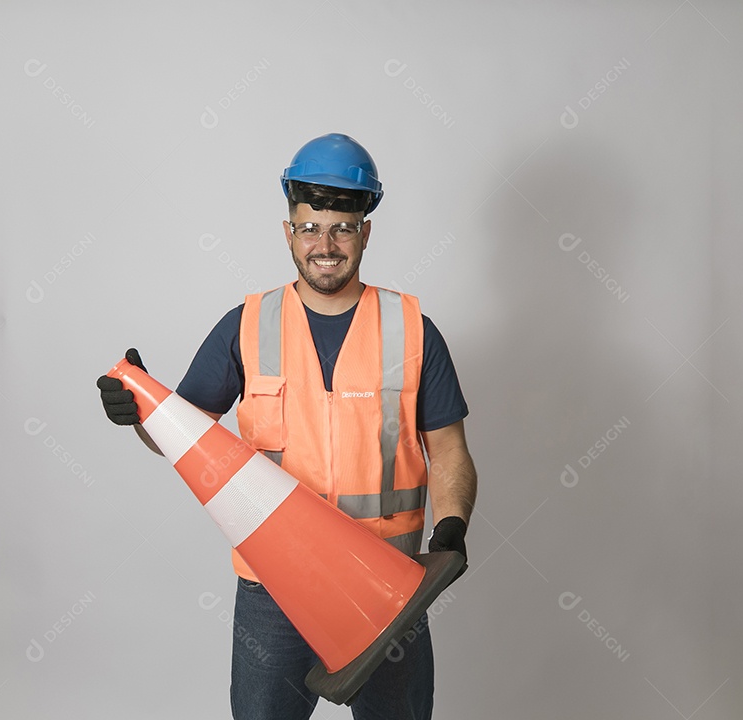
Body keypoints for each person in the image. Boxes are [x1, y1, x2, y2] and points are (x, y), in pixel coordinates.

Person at [97, 132, 477, 720]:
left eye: (342, 228)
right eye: (309, 227)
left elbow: (449, 451)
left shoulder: (412, 330)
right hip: (272, 592)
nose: (325, 244)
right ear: (287, 231)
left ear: (365, 231)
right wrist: (142, 412)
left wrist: (449, 531)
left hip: (388, 590)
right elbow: (186, 436)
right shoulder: (246, 325)